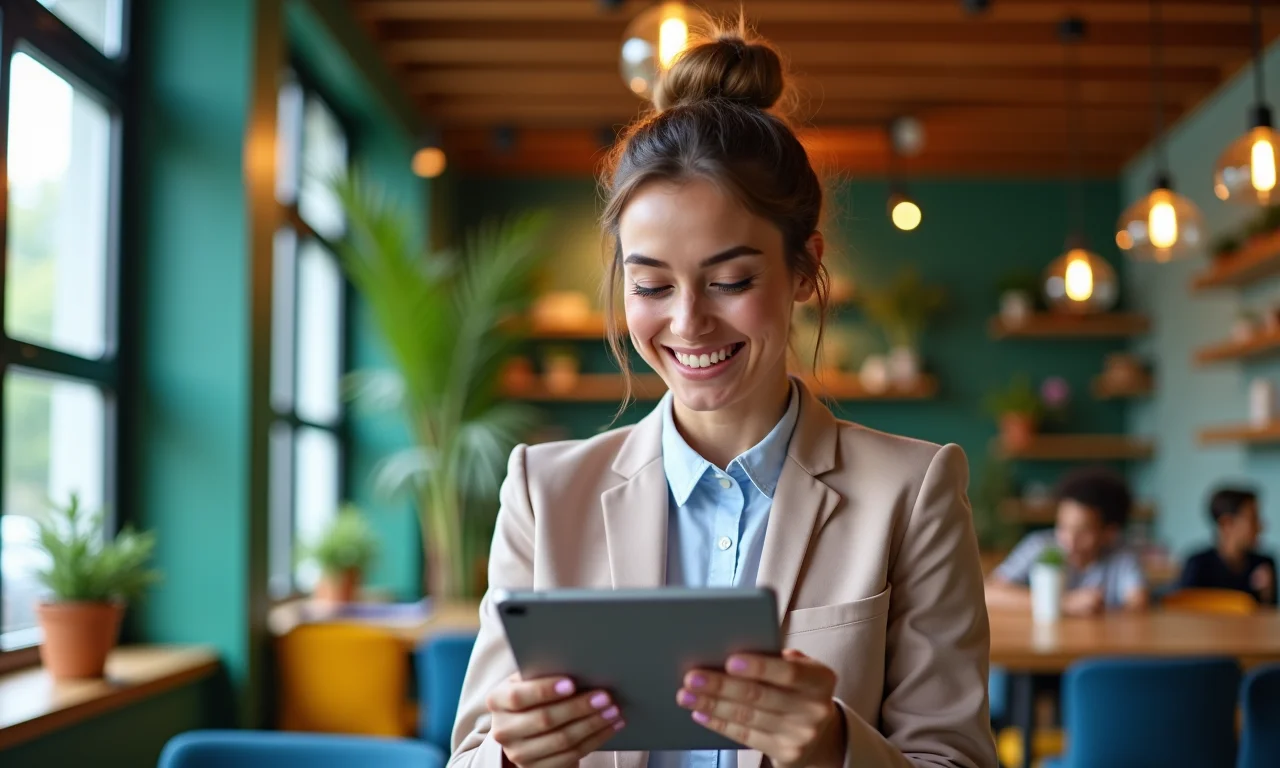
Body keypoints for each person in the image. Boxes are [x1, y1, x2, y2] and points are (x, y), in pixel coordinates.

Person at [447, 27, 996, 768]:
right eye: (649, 285)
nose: (687, 322)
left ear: (804, 269)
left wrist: (835, 748)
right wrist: (511, 758)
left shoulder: (912, 491)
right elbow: (473, 754)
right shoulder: (545, 493)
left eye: (731, 281)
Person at [985, 466, 1148, 616]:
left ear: (1110, 532)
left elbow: (1138, 604)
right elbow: (988, 593)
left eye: (1083, 531)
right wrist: (1062, 603)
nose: (1069, 540)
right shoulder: (1039, 545)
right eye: (1063, 526)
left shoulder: (1122, 555)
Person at [1178, 487, 1275, 605]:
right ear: (1226, 524)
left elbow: (1268, 617)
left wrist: (1267, 594)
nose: (1260, 527)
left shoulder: (1263, 565)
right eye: (1253, 519)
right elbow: (1184, 610)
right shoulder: (1198, 565)